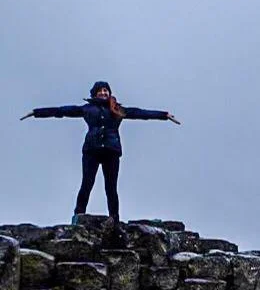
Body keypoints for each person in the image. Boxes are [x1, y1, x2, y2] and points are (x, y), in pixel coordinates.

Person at [20, 81, 181, 226]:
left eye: (106, 90)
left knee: (111, 187)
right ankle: (78, 214)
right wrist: (36, 112)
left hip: (111, 150)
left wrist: (164, 115)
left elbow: (141, 113)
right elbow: (61, 111)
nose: (104, 93)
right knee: (87, 183)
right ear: (94, 93)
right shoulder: (87, 109)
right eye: (100, 91)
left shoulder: (118, 109)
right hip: (92, 150)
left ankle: (114, 217)